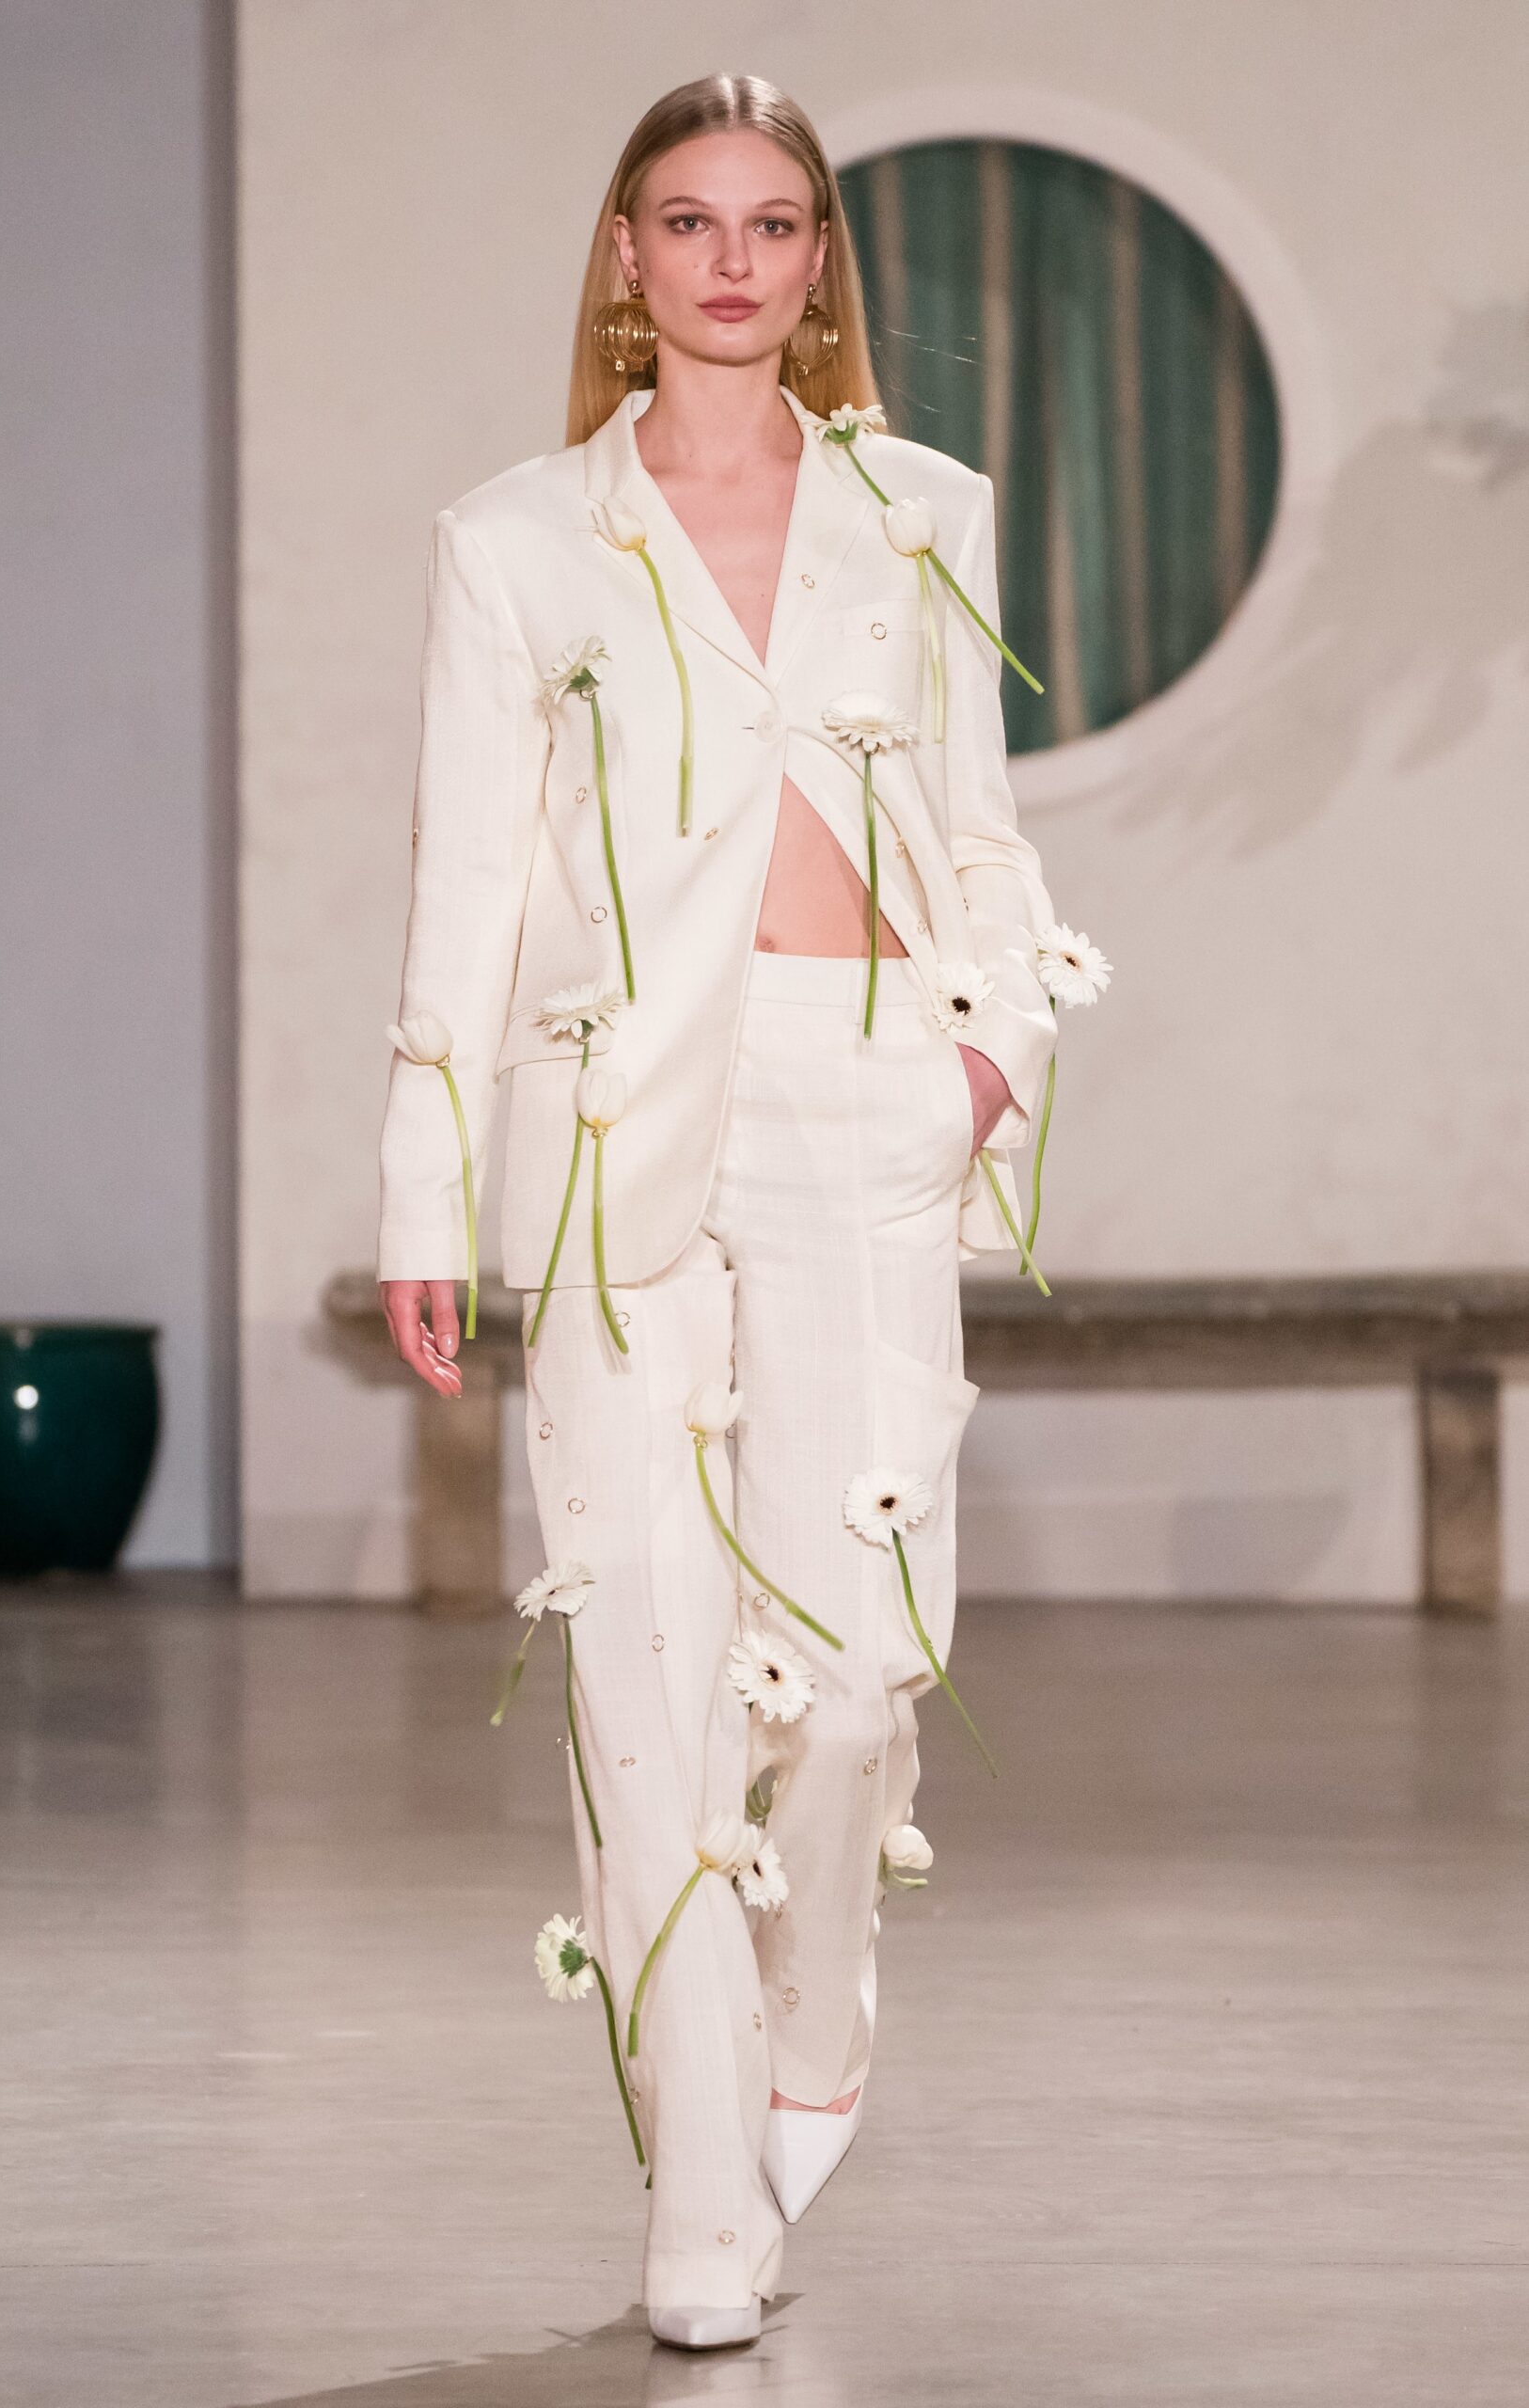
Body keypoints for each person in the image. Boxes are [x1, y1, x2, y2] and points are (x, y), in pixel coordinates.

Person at [377, 72, 1058, 2353]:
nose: (732, 261)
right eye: (688, 220)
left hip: (868, 1093)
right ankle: (695, 2189)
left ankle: (813, 2000)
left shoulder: (924, 512)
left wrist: (985, 1057)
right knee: (646, 1664)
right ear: (624, 254)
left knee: (852, 1671)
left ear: (816, 261)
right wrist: (423, 1189)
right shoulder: (517, 541)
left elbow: (979, 826)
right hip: (614, 1137)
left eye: (773, 223)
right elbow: (469, 883)